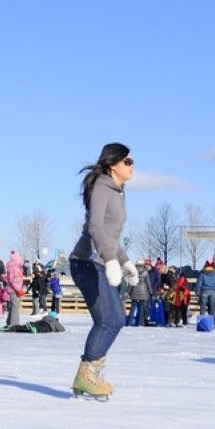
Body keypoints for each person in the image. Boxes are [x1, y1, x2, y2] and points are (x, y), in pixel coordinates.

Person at [69, 143, 135, 399]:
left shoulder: (117, 191)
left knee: (114, 319)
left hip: (99, 262)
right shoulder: (102, 186)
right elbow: (95, 227)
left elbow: (111, 237)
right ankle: (87, 376)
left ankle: (86, 377)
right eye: (128, 162)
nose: (132, 167)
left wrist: (125, 262)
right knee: (110, 320)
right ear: (113, 164)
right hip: (87, 262)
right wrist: (110, 260)